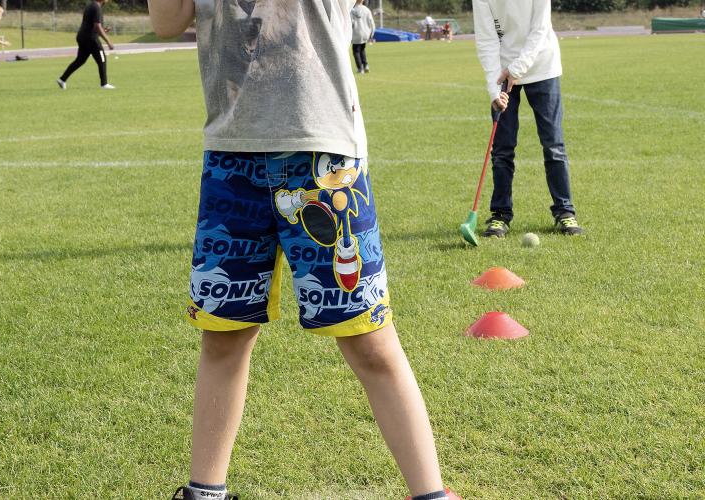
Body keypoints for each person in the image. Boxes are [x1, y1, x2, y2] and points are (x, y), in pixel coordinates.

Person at [147, 1, 460, 500]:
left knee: (370, 339)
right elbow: (166, 22)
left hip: (321, 150)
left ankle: (431, 495)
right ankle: (204, 493)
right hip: (232, 152)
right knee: (224, 335)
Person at [473, 0, 584, 237]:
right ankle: (500, 215)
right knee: (502, 149)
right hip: (502, 73)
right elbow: (487, 41)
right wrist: (495, 92)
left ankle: (565, 212)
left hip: (543, 65)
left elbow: (540, 28)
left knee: (553, 145)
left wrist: (517, 68)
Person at [56, 0, 115, 90]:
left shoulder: (91, 5)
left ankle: (62, 79)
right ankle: (104, 84)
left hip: (82, 36)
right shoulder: (96, 7)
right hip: (90, 38)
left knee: (80, 60)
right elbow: (97, 26)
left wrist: (104, 30)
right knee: (102, 59)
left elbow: (92, 26)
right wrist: (108, 41)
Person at [351, 0, 375, 73]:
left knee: (356, 51)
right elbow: (371, 23)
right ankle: (366, 65)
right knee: (362, 49)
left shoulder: (352, 10)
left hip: (356, 33)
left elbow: (351, 22)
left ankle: (360, 68)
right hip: (365, 33)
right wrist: (371, 34)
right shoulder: (367, 10)